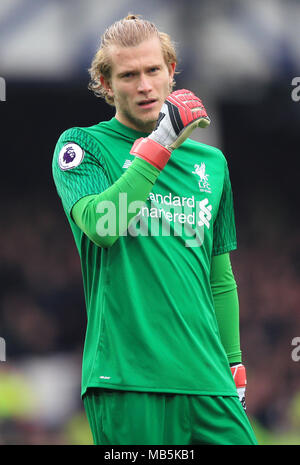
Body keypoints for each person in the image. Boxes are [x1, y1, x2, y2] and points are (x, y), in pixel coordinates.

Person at [52, 14, 258, 445]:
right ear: (106, 85)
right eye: (128, 75)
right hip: (129, 378)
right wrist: (161, 143)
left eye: (152, 70)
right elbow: (104, 226)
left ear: (171, 72)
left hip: (208, 379)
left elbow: (219, 277)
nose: (144, 85)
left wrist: (234, 363)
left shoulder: (212, 164)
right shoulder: (81, 147)